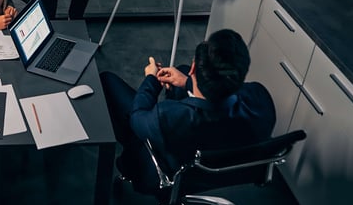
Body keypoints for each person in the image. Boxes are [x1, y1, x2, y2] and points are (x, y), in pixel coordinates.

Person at [100, 29, 276, 193]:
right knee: (180, 69)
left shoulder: (168, 116)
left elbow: (137, 117)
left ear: (195, 68)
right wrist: (187, 82)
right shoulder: (260, 97)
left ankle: (129, 161)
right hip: (226, 172)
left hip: (166, 177)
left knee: (108, 82)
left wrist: (151, 80)